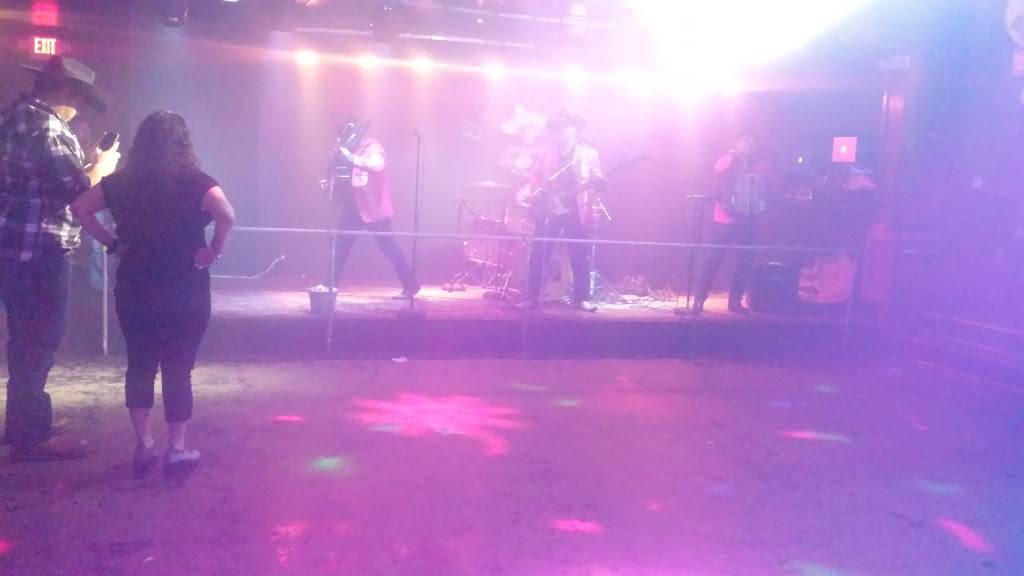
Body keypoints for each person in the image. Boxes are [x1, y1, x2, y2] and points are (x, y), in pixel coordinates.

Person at [71, 111, 235, 476]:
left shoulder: (120, 182)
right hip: (184, 285)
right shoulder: (197, 182)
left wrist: (112, 243)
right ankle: (176, 449)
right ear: (183, 143)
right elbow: (227, 214)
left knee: (140, 365)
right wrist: (214, 250)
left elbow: (80, 208)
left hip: (136, 283)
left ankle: (144, 446)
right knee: (179, 368)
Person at [0, 55, 119, 462]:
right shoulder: (49, 128)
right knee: (38, 342)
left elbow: (40, 183)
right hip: (40, 251)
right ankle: (30, 438)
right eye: (80, 100)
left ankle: (28, 422)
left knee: (25, 342)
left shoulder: (14, 117)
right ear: (67, 92)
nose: (80, 110)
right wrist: (102, 168)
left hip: (13, 248)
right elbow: (80, 193)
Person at [521, 111, 604, 312]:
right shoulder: (547, 153)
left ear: (574, 128)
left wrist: (600, 181)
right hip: (551, 209)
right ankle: (531, 297)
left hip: (576, 209)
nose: (561, 131)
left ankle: (581, 299)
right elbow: (535, 176)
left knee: (580, 254)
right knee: (540, 252)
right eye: (558, 127)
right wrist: (537, 197)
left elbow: (597, 177)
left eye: (565, 126)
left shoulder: (588, 154)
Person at [330, 121, 420, 299]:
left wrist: (351, 158)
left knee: (388, 246)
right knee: (340, 245)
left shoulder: (373, 148)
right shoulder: (350, 149)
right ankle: (329, 285)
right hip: (354, 204)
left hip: (374, 207)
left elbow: (378, 166)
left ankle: (411, 285)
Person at [690, 133, 764, 317]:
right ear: (737, 142)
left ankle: (735, 301)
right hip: (724, 219)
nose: (750, 144)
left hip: (746, 220)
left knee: (744, 262)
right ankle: (699, 300)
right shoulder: (729, 158)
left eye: (753, 141)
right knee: (711, 260)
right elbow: (718, 170)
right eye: (746, 140)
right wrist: (732, 157)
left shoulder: (756, 164)